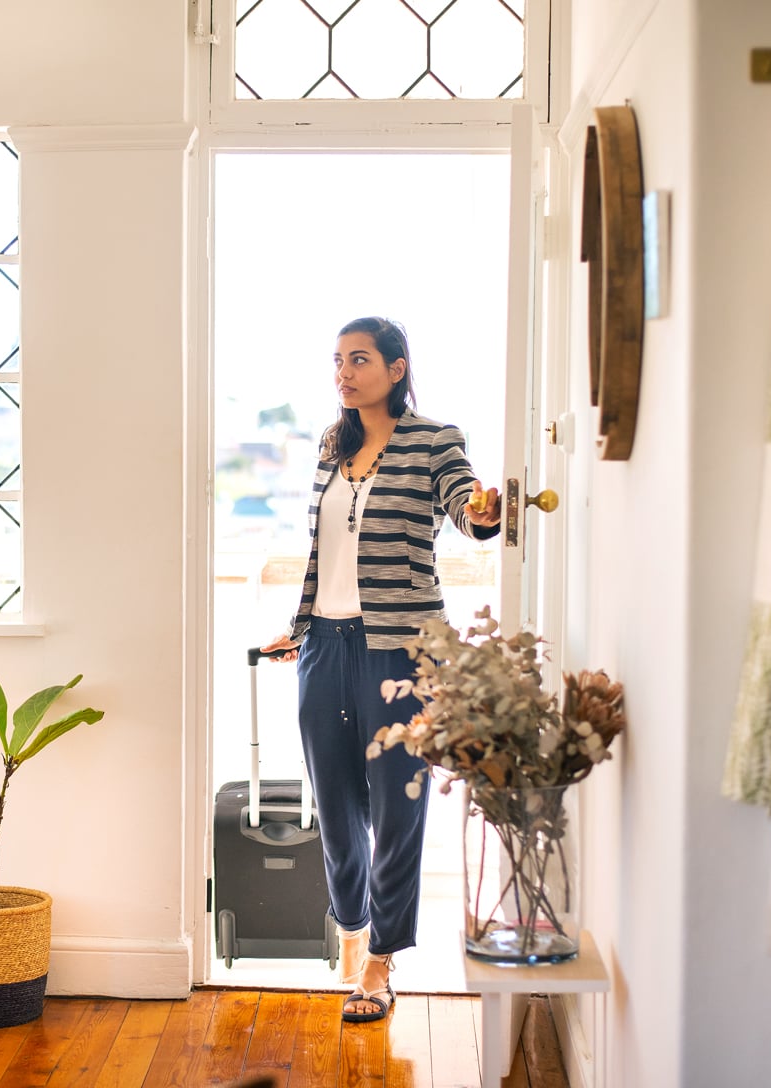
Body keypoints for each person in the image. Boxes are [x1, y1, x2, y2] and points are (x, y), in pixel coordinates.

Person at [260, 315, 501, 1022]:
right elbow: (324, 554)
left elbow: (465, 506)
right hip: (323, 647)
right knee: (334, 805)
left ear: (396, 368)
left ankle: (380, 961)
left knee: (398, 805)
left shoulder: (434, 439)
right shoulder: (334, 447)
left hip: (400, 650)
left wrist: (484, 511)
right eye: (337, 361)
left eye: (359, 359)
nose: (344, 372)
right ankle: (353, 927)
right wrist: (300, 628)